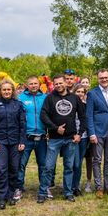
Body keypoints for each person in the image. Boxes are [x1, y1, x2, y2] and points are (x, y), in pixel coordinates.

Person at [38, 75, 86, 203]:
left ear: (65, 83)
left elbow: (83, 117)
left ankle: (68, 192)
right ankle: (42, 192)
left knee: (69, 167)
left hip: (70, 139)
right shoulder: (50, 98)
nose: (58, 85)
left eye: (60, 83)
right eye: (56, 84)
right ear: (53, 85)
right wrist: (55, 128)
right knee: (48, 167)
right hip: (54, 139)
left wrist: (79, 134)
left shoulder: (74, 98)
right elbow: (43, 115)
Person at [0, 79, 26, 209]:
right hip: (0, 142)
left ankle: (10, 195)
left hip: (15, 142)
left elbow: (23, 124)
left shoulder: (18, 105)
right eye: (4, 89)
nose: (6, 92)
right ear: (0, 91)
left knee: (14, 168)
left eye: (9, 89)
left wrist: (22, 141)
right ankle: (1, 198)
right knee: (1, 169)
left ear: (12, 91)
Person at [86, 68, 108, 198]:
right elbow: (89, 115)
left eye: (106, 77)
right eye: (101, 78)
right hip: (98, 132)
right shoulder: (92, 93)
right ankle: (99, 187)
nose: (104, 79)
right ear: (98, 79)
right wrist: (91, 133)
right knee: (97, 160)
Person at [15, 76, 47, 201]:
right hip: (26, 137)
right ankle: (18, 187)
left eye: (35, 83)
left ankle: (44, 188)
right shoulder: (20, 98)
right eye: (31, 84)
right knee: (21, 164)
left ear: (39, 84)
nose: (33, 85)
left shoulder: (45, 97)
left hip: (42, 137)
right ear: (27, 85)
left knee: (43, 165)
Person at [72, 84, 88, 196]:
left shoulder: (86, 105)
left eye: (82, 92)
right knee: (75, 163)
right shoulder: (70, 105)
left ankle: (76, 187)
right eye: (78, 91)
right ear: (74, 92)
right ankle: (71, 186)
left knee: (79, 162)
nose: (80, 94)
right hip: (73, 137)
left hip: (84, 137)